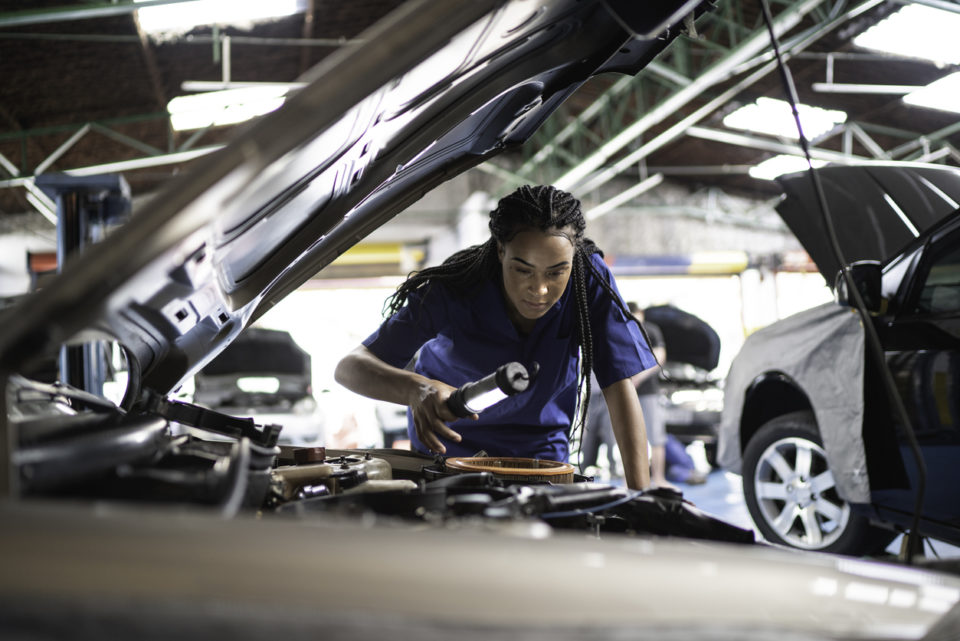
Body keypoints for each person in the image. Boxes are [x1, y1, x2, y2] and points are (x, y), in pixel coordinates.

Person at [334, 185, 658, 490]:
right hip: (449, 455)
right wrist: (417, 390)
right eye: (523, 270)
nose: (540, 289)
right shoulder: (455, 288)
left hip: (541, 461)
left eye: (556, 271)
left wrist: (640, 496)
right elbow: (350, 368)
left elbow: (618, 385)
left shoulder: (588, 278)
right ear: (501, 250)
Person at [627, 302, 671, 488]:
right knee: (631, 438)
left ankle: (658, 479)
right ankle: (631, 480)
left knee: (656, 437)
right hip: (629, 393)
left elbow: (659, 357)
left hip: (649, 392)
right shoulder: (624, 331)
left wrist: (639, 378)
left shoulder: (651, 330)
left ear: (641, 313)